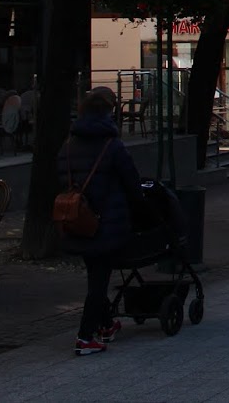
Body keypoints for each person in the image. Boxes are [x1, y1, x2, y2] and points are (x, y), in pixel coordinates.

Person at [57, 87, 144, 357]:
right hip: (107, 222)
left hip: (77, 219)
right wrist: (137, 206)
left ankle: (106, 324)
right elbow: (132, 181)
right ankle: (85, 337)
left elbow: (60, 177)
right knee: (98, 282)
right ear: (108, 113)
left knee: (95, 274)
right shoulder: (112, 146)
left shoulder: (68, 145)